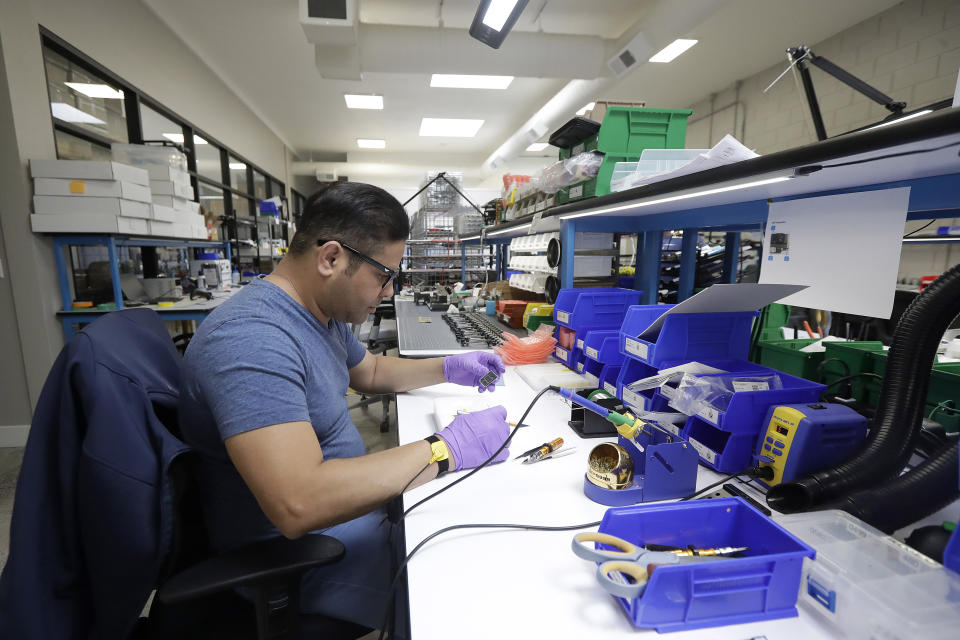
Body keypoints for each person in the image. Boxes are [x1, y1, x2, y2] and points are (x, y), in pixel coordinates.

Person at [179, 182, 508, 632]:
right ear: (331, 258)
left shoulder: (317, 315)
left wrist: (448, 367)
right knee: (483, 591)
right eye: (382, 275)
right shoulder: (251, 339)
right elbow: (298, 503)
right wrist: (444, 449)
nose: (389, 293)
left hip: (354, 518)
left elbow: (369, 372)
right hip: (307, 563)